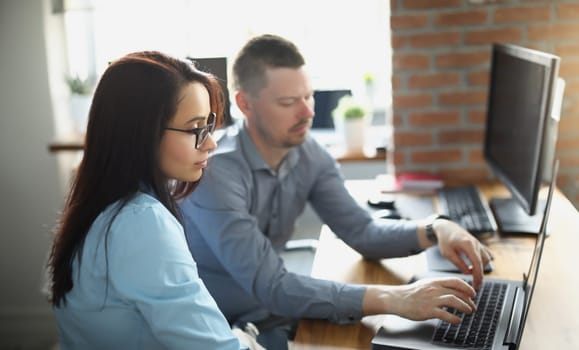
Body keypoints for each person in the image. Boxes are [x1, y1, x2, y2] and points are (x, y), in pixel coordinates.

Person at [180, 34, 493, 349]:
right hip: (217, 328)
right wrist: (396, 298)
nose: (307, 113)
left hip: (272, 313)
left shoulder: (310, 153)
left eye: (309, 96)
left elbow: (362, 231)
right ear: (245, 103)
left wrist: (436, 228)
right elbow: (273, 286)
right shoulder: (215, 172)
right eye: (288, 102)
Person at [46, 51, 263, 349]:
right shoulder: (142, 223)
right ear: (140, 134)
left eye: (209, 125)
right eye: (194, 129)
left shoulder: (100, 208)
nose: (210, 143)